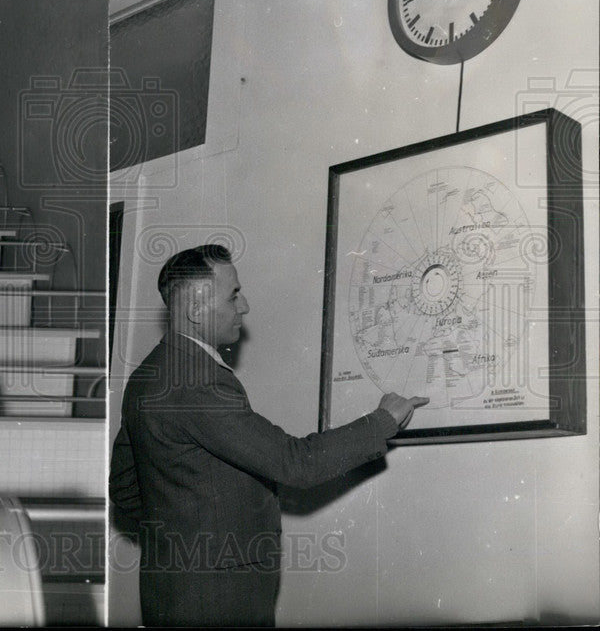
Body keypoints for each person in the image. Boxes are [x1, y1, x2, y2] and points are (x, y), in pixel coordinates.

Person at [109, 244, 428, 627]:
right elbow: (295, 464)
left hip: (173, 589)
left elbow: (126, 487)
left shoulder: (148, 374)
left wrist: (185, 530)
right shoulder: (196, 383)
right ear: (195, 309)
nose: (244, 307)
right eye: (233, 295)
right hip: (219, 596)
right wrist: (383, 421)